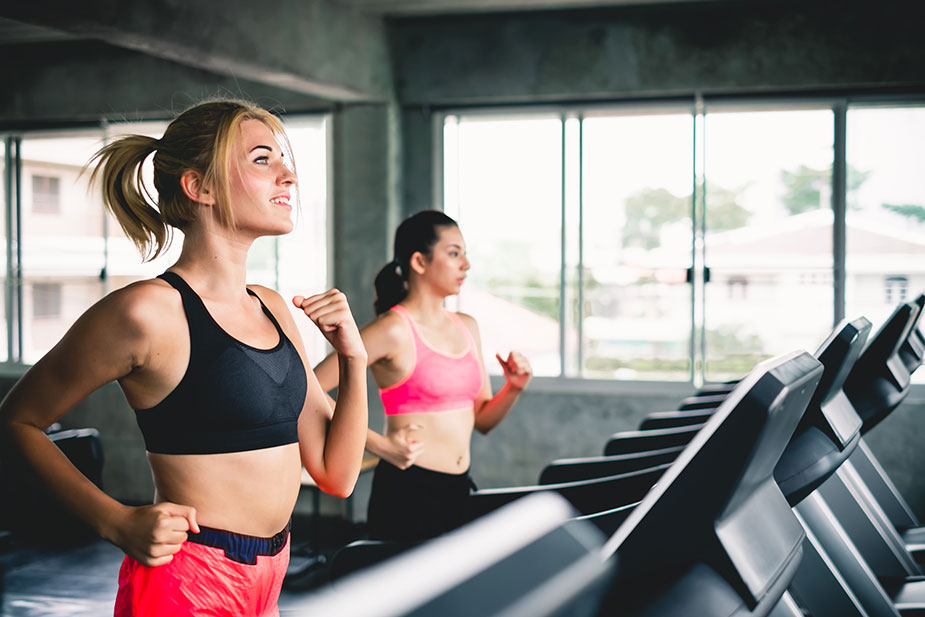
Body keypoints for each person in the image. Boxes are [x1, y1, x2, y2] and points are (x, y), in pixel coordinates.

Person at [0, 100, 368, 617]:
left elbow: (336, 473)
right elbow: (17, 420)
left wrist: (353, 357)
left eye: (285, 159)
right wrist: (115, 522)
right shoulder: (146, 311)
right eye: (264, 159)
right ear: (200, 187)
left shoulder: (275, 308)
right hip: (189, 581)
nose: (290, 174)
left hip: (269, 582)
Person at [314, 210, 532, 542]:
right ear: (419, 261)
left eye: (465, 254)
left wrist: (513, 389)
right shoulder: (392, 329)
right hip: (408, 493)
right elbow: (307, 388)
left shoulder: (468, 326)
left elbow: (483, 421)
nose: (466, 265)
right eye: (454, 253)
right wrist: (381, 446)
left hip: (460, 490)